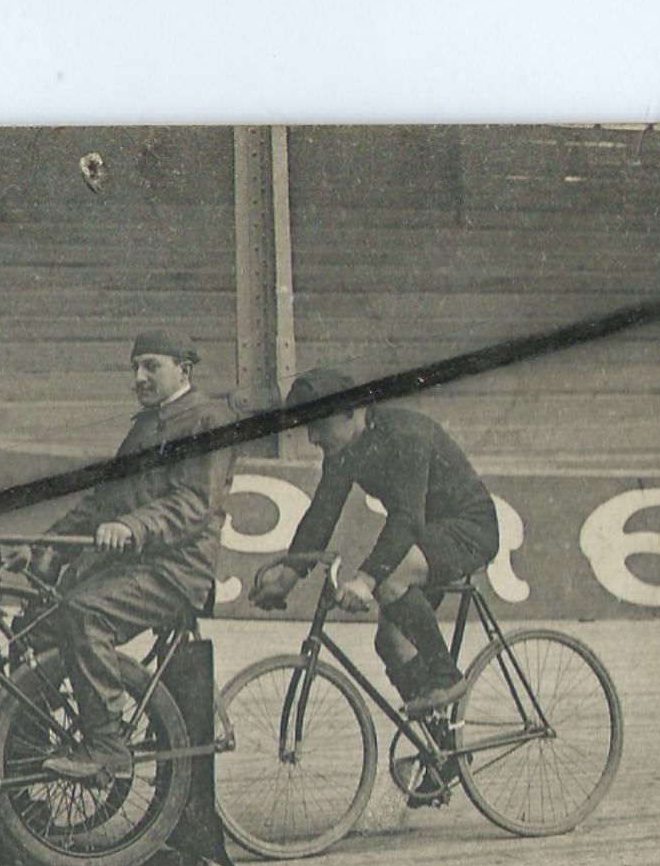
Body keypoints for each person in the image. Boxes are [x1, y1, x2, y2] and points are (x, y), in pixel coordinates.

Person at [36, 331, 235, 780]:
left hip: (176, 570)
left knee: (85, 613)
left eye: (151, 366)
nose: (139, 377)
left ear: (183, 370)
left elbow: (191, 505)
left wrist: (131, 526)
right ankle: (20, 749)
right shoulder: (146, 425)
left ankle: (107, 749)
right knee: (37, 620)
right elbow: (101, 503)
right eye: (134, 368)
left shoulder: (208, 420)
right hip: (136, 565)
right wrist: (46, 543)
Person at [250, 366, 500, 718]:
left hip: (469, 529)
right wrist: (286, 579)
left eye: (317, 425)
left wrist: (366, 579)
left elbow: (406, 519)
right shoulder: (345, 451)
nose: (311, 438)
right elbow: (322, 514)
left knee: (389, 580)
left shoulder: (404, 435)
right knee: (390, 641)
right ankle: (442, 753)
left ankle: (445, 675)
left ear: (349, 411)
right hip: (428, 537)